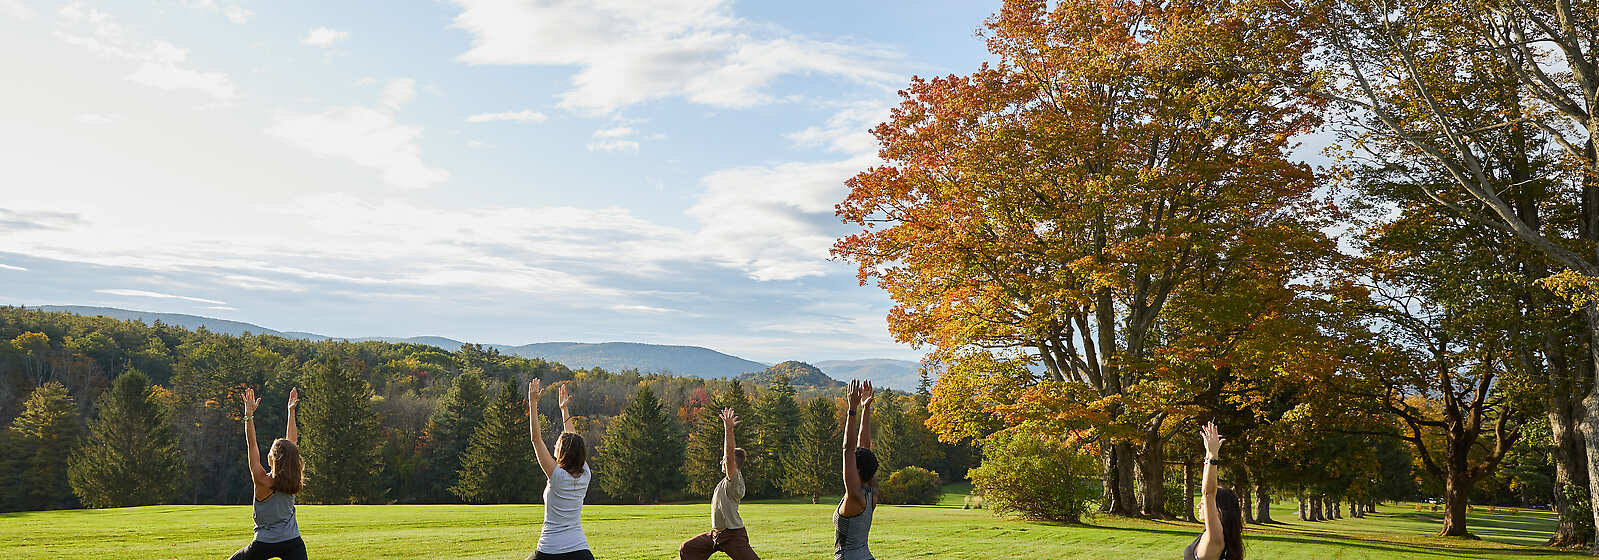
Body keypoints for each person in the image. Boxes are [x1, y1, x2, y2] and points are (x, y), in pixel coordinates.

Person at [230, 387, 306, 560]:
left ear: (273, 458)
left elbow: (252, 445)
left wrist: (248, 416)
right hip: (292, 542)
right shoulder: (292, 479)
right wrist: (291, 411)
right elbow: (292, 443)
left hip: (264, 543)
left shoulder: (262, 481)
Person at [679, 408, 759, 560]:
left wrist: (728, 430)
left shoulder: (734, 480)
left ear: (732, 463)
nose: (721, 462)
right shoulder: (724, 482)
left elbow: (729, 454)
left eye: (724, 460)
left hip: (732, 535)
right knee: (687, 549)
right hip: (716, 535)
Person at [528, 379, 594, 560]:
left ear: (562, 452)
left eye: (557, 444)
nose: (554, 445)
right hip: (581, 551)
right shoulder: (586, 474)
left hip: (550, 550)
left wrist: (533, 403)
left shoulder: (557, 476)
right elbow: (574, 440)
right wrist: (564, 410)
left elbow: (536, 439)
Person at [1185, 422, 1244, 560]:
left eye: (1203, 503)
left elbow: (1209, 493)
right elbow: (1208, 493)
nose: (1199, 506)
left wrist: (1212, 456)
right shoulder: (1212, 535)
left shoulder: (1215, 537)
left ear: (1219, 510)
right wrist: (1207, 455)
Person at [834, 380, 878, 560]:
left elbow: (848, 449)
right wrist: (865, 409)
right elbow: (863, 447)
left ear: (857, 469)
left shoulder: (854, 495)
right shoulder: (871, 493)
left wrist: (852, 409)